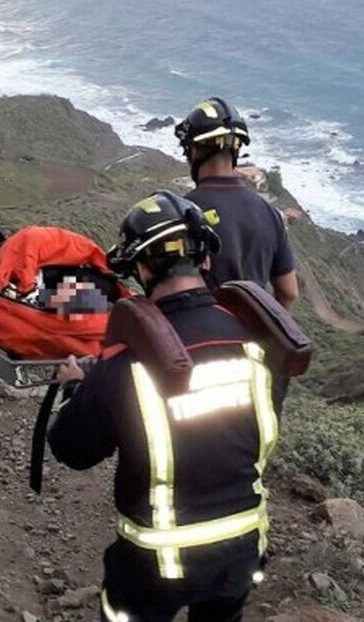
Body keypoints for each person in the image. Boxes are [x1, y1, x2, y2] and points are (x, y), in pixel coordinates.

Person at [48, 191, 282, 622]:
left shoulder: (128, 359)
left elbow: (72, 450)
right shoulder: (249, 340)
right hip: (245, 547)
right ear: (205, 259)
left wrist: (77, 389)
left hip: (158, 562)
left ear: (140, 267)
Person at [177, 97, 300, 308]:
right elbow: (289, 292)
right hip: (253, 333)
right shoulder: (270, 213)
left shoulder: (184, 212)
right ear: (235, 151)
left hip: (205, 333)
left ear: (194, 151)